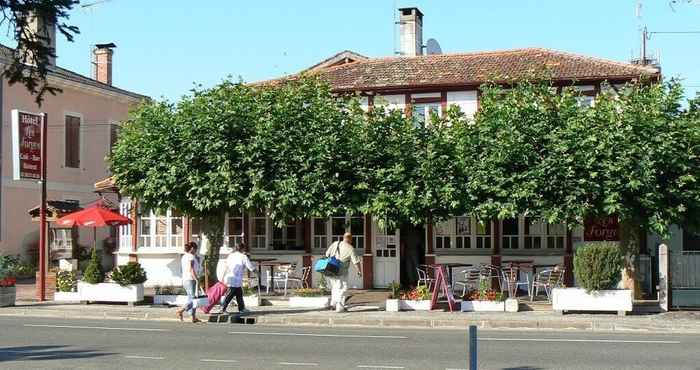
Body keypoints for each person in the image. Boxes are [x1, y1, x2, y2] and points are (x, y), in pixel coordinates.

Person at [324, 232, 362, 312]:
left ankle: (333, 305)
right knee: (342, 288)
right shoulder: (350, 248)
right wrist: (359, 271)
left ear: (343, 237)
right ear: (350, 239)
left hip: (331, 270)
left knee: (334, 288)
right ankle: (340, 307)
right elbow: (356, 262)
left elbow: (327, 254)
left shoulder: (335, 243)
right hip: (341, 272)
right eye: (351, 239)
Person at [220, 242, 256, 314]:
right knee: (229, 295)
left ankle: (241, 309)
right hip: (235, 279)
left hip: (230, 278)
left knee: (239, 294)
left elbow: (225, 266)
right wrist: (257, 272)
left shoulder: (231, 255)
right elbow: (250, 267)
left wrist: (223, 277)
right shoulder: (243, 257)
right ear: (242, 248)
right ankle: (222, 308)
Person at [176, 241, 201, 323]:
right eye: (196, 249)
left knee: (191, 298)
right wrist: (196, 279)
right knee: (193, 299)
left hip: (186, 279)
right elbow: (191, 269)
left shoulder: (184, 256)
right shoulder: (190, 257)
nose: (196, 250)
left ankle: (193, 317)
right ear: (193, 248)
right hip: (191, 279)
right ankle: (181, 310)